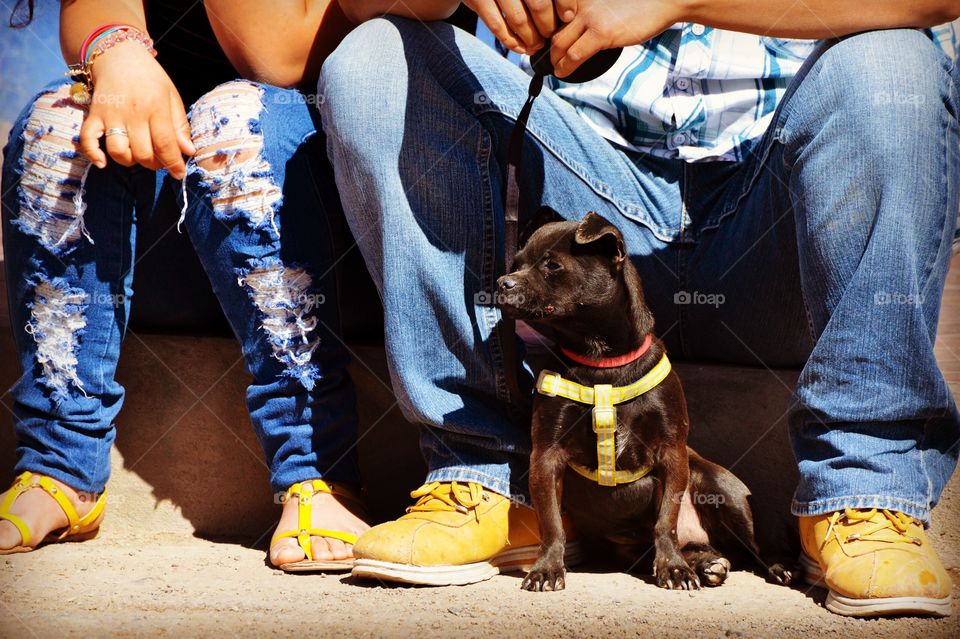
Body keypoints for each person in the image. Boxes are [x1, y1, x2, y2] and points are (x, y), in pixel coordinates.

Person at [320, 0, 960, 616]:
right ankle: (484, 478)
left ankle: (864, 496)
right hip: (582, 190)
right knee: (376, 57)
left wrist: (680, 2)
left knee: (892, 56)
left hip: (783, 217)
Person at [0, 0, 369, 571]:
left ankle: (316, 471)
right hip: (166, 226)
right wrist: (118, 50)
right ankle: (60, 466)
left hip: (320, 231)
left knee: (234, 118)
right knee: (59, 119)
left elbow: (280, 58)